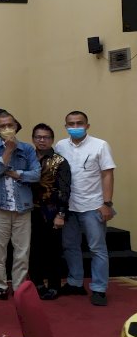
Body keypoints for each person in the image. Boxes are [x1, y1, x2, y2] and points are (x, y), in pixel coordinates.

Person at [55, 111, 116, 306]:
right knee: (70, 246)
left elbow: (107, 174)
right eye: (71, 124)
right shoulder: (60, 146)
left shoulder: (100, 145)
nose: (75, 126)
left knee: (97, 248)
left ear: (87, 125)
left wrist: (107, 204)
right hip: (69, 207)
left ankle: (99, 288)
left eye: (79, 123)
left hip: (93, 205)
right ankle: (75, 282)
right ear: (65, 126)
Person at [0, 112, 40, 300]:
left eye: (10, 125)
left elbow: (36, 174)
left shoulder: (27, 149)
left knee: (22, 250)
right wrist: (7, 151)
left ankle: (19, 286)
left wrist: (17, 174)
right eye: (2, 126)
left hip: (22, 205)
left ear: (16, 125)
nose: (7, 129)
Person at [30, 123, 70, 300]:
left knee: (53, 250)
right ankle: (37, 283)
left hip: (52, 211)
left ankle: (54, 285)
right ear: (33, 139)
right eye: (38, 137)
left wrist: (61, 214)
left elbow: (64, 189)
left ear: (52, 140)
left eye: (46, 137)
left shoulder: (60, 161)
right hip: (29, 210)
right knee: (34, 249)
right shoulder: (27, 157)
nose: (42, 140)